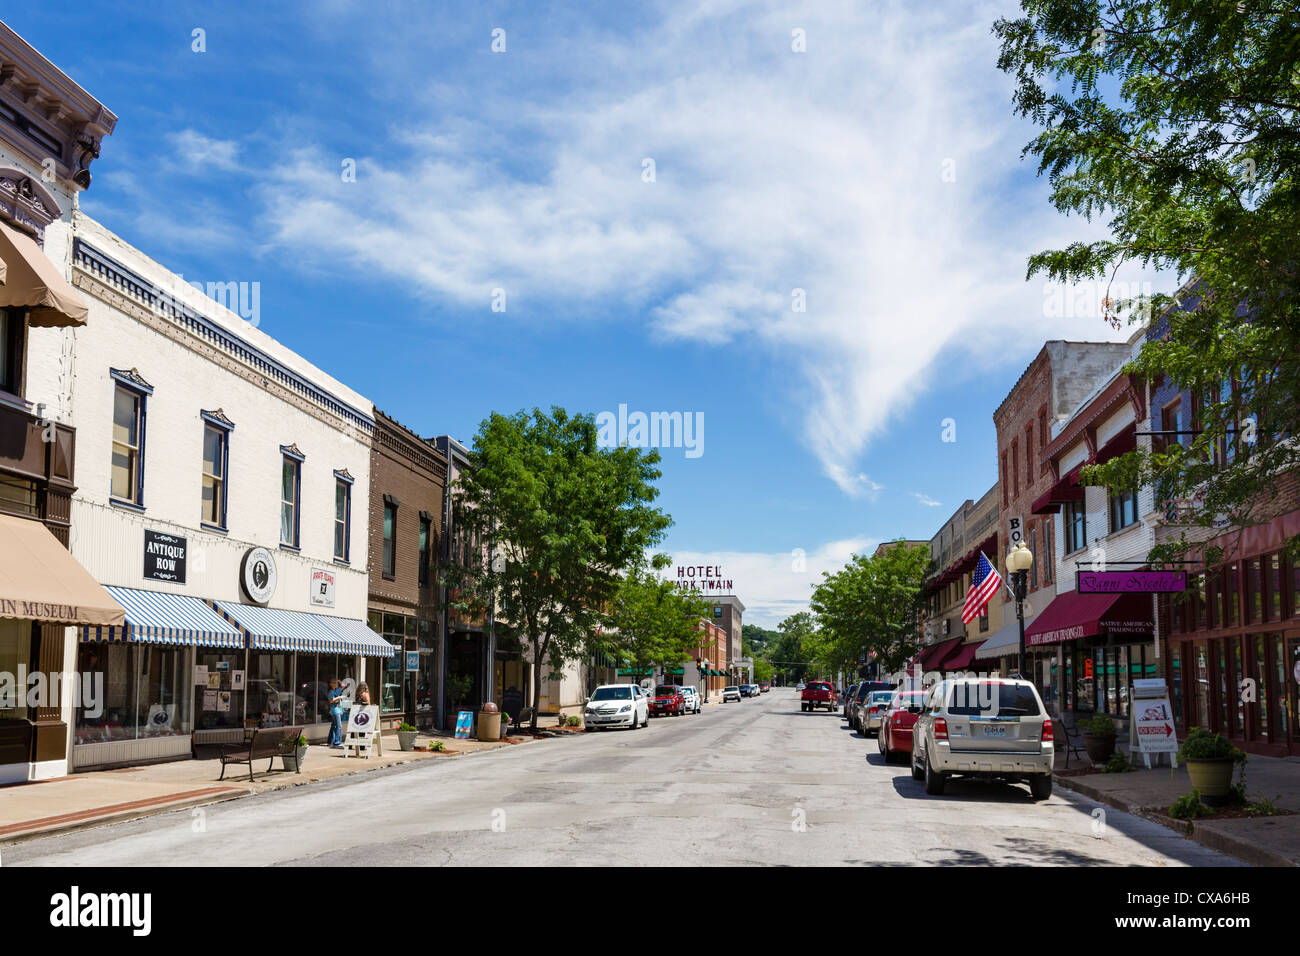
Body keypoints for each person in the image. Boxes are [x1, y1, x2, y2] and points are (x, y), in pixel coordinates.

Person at [327, 678, 345, 748]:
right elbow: (331, 701)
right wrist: (339, 697)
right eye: (333, 683)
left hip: (338, 709)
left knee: (334, 726)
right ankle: (337, 743)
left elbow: (343, 686)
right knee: (339, 726)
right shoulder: (331, 691)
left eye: (335, 683)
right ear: (330, 684)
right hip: (335, 710)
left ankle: (330, 741)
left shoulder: (336, 690)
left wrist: (338, 681)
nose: (335, 684)